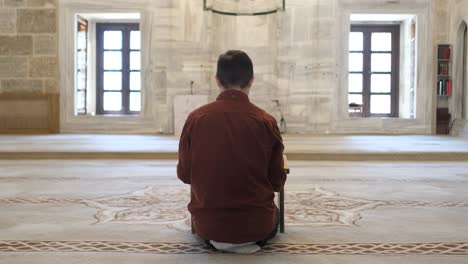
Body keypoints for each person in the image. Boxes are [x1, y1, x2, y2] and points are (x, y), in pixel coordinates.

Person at [177, 50, 287, 253]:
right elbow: (277, 182)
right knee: (276, 214)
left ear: (217, 80)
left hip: (209, 227)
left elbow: (185, 175)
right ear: (251, 80)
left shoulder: (196, 118)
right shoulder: (266, 121)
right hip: (257, 227)